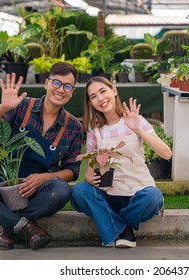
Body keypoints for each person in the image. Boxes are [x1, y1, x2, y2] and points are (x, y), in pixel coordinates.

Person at [0, 62, 83, 250]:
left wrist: (45, 178)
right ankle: (26, 227)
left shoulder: (74, 126)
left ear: (72, 91)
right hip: (5, 184)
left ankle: (7, 226)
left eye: (67, 86)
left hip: (38, 193)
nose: (61, 90)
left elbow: (72, 171)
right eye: (57, 83)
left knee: (62, 190)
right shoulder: (21, 106)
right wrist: (2, 107)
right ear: (47, 83)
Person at [71, 76, 172, 248]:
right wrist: (90, 178)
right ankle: (124, 230)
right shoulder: (95, 131)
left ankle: (111, 223)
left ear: (114, 90)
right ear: (91, 103)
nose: (100, 99)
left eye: (103, 91)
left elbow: (166, 154)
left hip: (136, 195)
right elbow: (88, 172)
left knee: (154, 196)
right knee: (79, 191)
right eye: (93, 96)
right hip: (109, 196)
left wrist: (138, 129)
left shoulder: (135, 120)